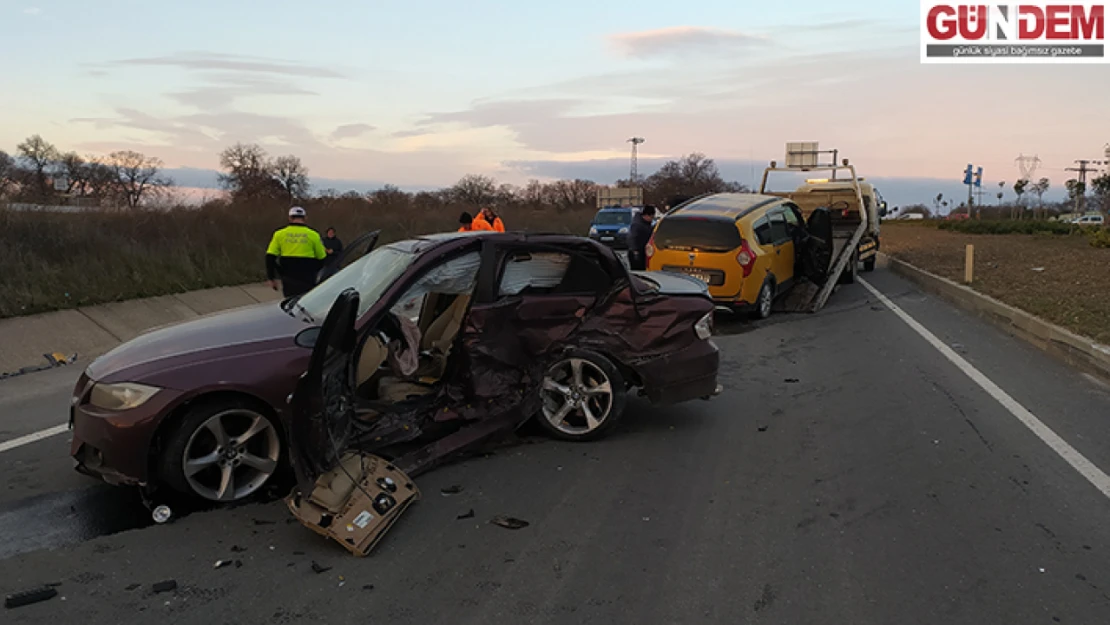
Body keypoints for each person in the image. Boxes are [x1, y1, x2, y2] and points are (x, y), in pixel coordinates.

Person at [265, 206, 328, 298]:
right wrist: (314, 270)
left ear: (290, 218)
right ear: (305, 218)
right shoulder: (313, 234)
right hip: (307, 276)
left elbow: (270, 257)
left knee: (289, 303)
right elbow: (322, 257)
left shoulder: (279, 234)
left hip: (288, 275)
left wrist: (272, 277)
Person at [627, 205, 656, 271]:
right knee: (638, 272)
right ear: (646, 215)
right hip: (637, 253)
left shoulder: (644, 223)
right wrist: (635, 251)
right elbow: (632, 238)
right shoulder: (637, 225)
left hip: (642, 251)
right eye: (651, 217)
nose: (652, 219)